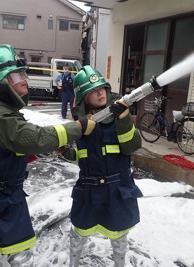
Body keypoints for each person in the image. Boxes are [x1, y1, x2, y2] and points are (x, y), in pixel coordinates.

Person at [0, 44, 95, 267]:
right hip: (1, 197)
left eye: (23, 73)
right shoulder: (3, 117)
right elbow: (35, 137)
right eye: (17, 74)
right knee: (20, 252)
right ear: (0, 81)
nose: (25, 78)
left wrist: (36, 152)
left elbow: (4, 147)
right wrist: (77, 127)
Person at [58, 65, 143, 267]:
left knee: (119, 236)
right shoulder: (81, 124)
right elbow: (83, 157)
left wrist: (124, 120)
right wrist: (65, 152)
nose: (100, 93)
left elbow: (132, 146)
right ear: (83, 98)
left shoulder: (119, 116)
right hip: (88, 190)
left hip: (117, 191)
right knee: (78, 232)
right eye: (93, 90)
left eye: (102, 87)